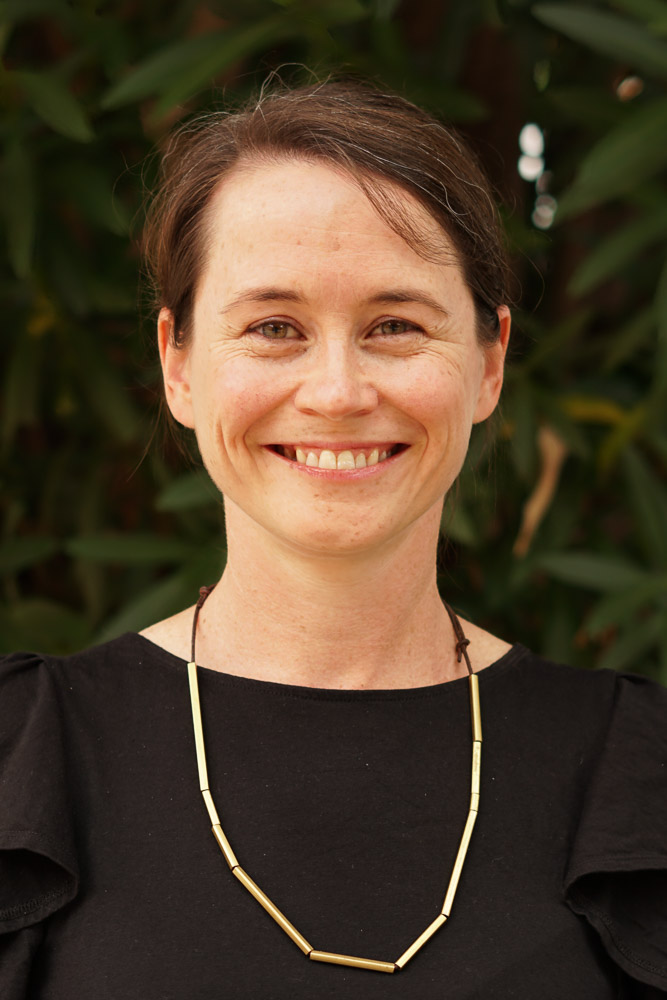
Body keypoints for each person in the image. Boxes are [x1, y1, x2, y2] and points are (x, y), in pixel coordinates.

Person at [1, 79, 665, 999]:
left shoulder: (638, 772)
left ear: (488, 362)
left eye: (395, 325)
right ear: (178, 364)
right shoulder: (21, 760)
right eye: (273, 327)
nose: (338, 391)